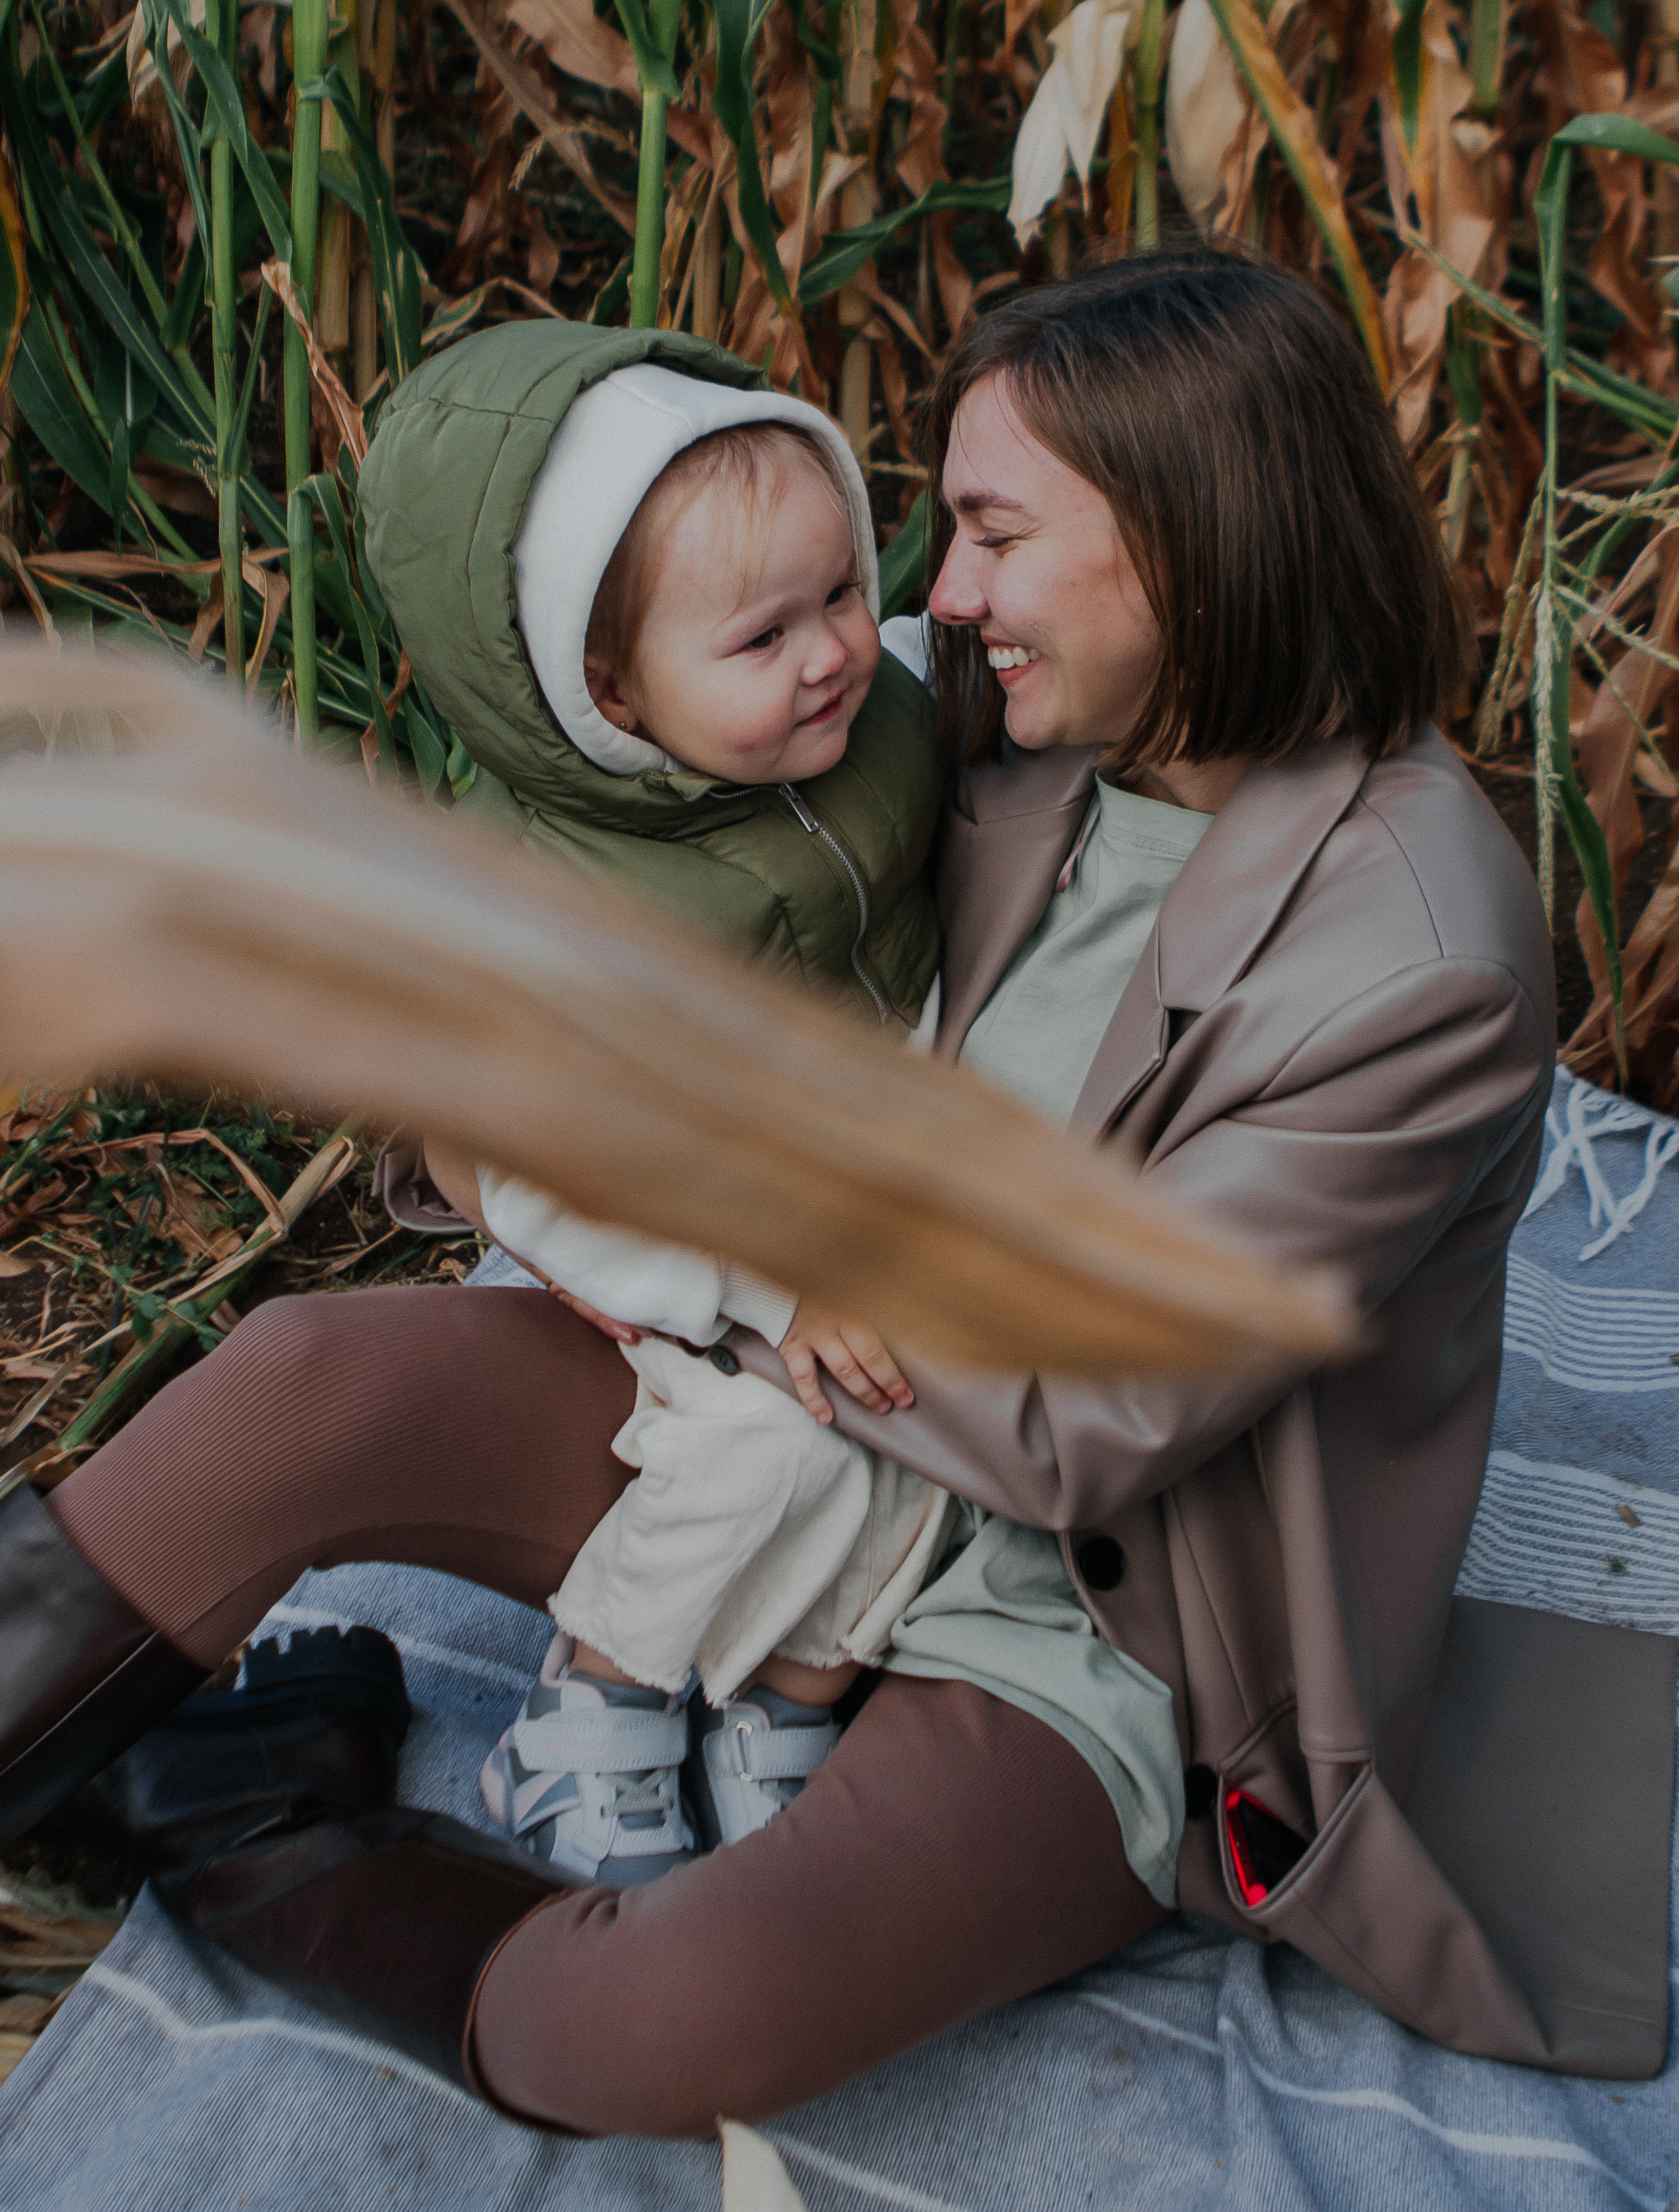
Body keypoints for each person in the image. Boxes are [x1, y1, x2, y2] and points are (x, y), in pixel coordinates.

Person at [12, 251, 1635, 2146]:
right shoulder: (988, 715)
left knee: (648, 2022)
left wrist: (753, 1274)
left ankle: (240, 1807)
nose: (934, 598)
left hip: (1092, 1617)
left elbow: (1097, 1408)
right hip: (793, 1418)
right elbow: (625, 804)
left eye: (990, 533)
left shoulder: (1419, 959)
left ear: (1191, 541)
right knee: (306, 1376)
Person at [360, 346, 960, 1881]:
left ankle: (788, 1686)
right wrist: (767, 1283)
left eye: (836, 592)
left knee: (932, 1426)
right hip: (631, 1202)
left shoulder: (862, 715)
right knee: (773, 1445)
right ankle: (600, 1688)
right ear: (608, 693)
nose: (829, 653)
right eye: (760, 635)